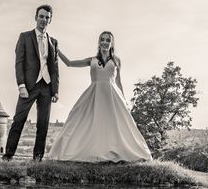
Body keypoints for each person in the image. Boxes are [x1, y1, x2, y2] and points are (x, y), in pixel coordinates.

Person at [46, 31, 152, 163]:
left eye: (108, 40)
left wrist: (124, 100)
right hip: (94, 94)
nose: (105, 42)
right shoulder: (92, 60)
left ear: (111, 43)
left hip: (112, 96)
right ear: (99, 42)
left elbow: (118, 81)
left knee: (117, 125)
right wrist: (57, 49)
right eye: (102, 39)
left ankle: (120, 152)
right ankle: (83, 151)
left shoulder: (116, 60)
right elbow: (69, 63)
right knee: (81, 119)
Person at [3, 4, 59, 161]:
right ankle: (7, 156)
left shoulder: (53, 42)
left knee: (43, 124)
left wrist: (55, 90)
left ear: (50, 20)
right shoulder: (25, 37)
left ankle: (37, 159)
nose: (43, 20)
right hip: (28, 86)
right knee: (18, 121)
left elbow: (55, 69)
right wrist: (21, 85)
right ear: (36, 17)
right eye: (41, 16)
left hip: (46, 87)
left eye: (47, 17)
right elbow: (19, 63)